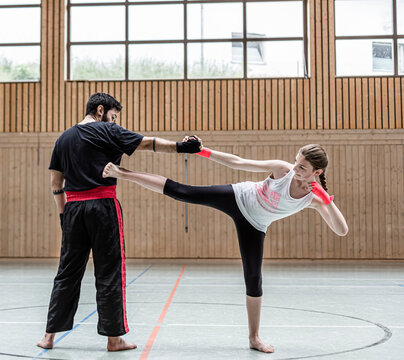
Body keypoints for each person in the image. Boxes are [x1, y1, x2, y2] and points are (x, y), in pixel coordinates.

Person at [102, 142, 348, 353]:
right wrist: (203, 152)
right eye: (296, 162)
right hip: (239, 197)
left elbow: (341, 230)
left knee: (254, 279)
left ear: (317, 172)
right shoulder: (282, 170)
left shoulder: (313, 199)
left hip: (255, 224)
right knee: (183, 192)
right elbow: (238, 162)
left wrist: (326, 199)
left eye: (302, 167)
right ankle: (124, 173)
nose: (295, 168)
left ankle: (254, 338)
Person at [37, 93, 201, 352]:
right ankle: (114, 339)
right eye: (113, 115)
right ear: (101, 110)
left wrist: (63, 216)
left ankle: (48, 337)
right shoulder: (107, 130)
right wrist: (182, 147)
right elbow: (148, 144)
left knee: (67, 272)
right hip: (103, 206)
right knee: (109, 271)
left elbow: (56, 184)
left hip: (73, 209)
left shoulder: (63, 138)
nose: (114, 120)